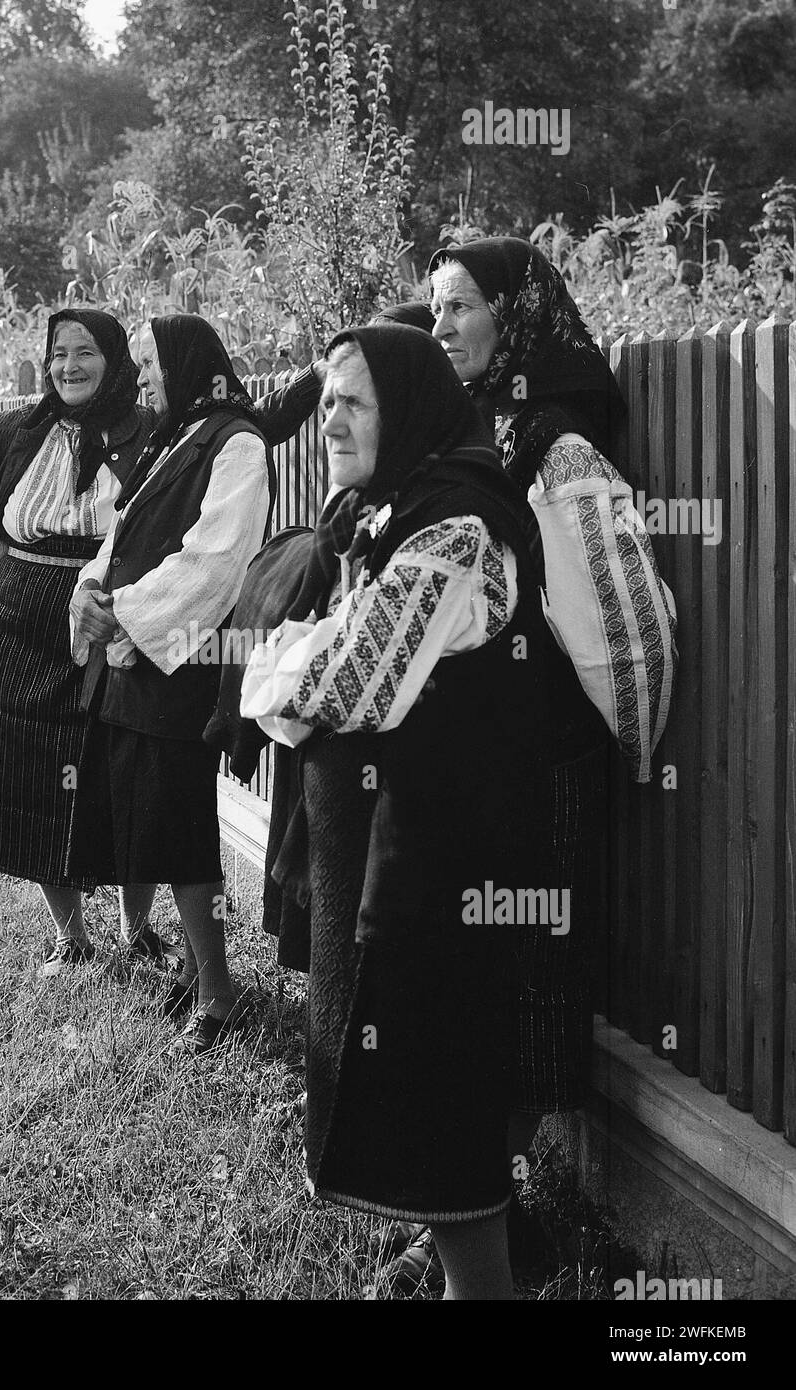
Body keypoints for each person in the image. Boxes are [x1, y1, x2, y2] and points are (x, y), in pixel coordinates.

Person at [241, 323, 556, 1299]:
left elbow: (353, 681)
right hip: (406, 854)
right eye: (325, 398)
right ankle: (461, 1251)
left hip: (449, 871)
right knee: (417, 1091)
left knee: (439, 1096)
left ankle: (484, 1277)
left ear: (411, 409)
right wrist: (303, 656)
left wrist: (274, 669)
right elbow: (334, 654)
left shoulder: (456, 527)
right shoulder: (396, 514)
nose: (328, 416)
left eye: (353, 400)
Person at [0, 308, 320, 979]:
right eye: (58, 353)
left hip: (115, 616)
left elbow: (247, 421)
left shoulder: (155, 425)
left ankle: (137, 924)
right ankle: (69, 933)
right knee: (37, 772)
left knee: (110, 770)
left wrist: (320, 375)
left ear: (119, 361)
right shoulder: (20, 429)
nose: (69, 366)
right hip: (26, 614)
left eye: (86, 352)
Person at [427, 236, 676, 1145]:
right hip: (470, 747)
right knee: (468, 960)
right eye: (437, 307)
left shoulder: (558, 451)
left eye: (461, 306)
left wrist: (633, 747)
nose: (441, 324)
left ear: (516, 315)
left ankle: (502, 1182)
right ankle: (462, 1175)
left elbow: (622, 621)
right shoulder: (479, 429)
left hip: (536, 755)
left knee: (528, 966)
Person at [68, 314, 277, 1054]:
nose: (143, 375)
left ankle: (219, 990)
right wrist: (90, 590)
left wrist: (120, 612)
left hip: (180, 662)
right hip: (136, 657)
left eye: (152, 361)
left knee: (183, 831)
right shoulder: (175, 435)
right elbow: (120, 534)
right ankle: (193, 967)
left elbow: (213, 564)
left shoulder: (238, 444)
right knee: (153, 819)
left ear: (189, 364)